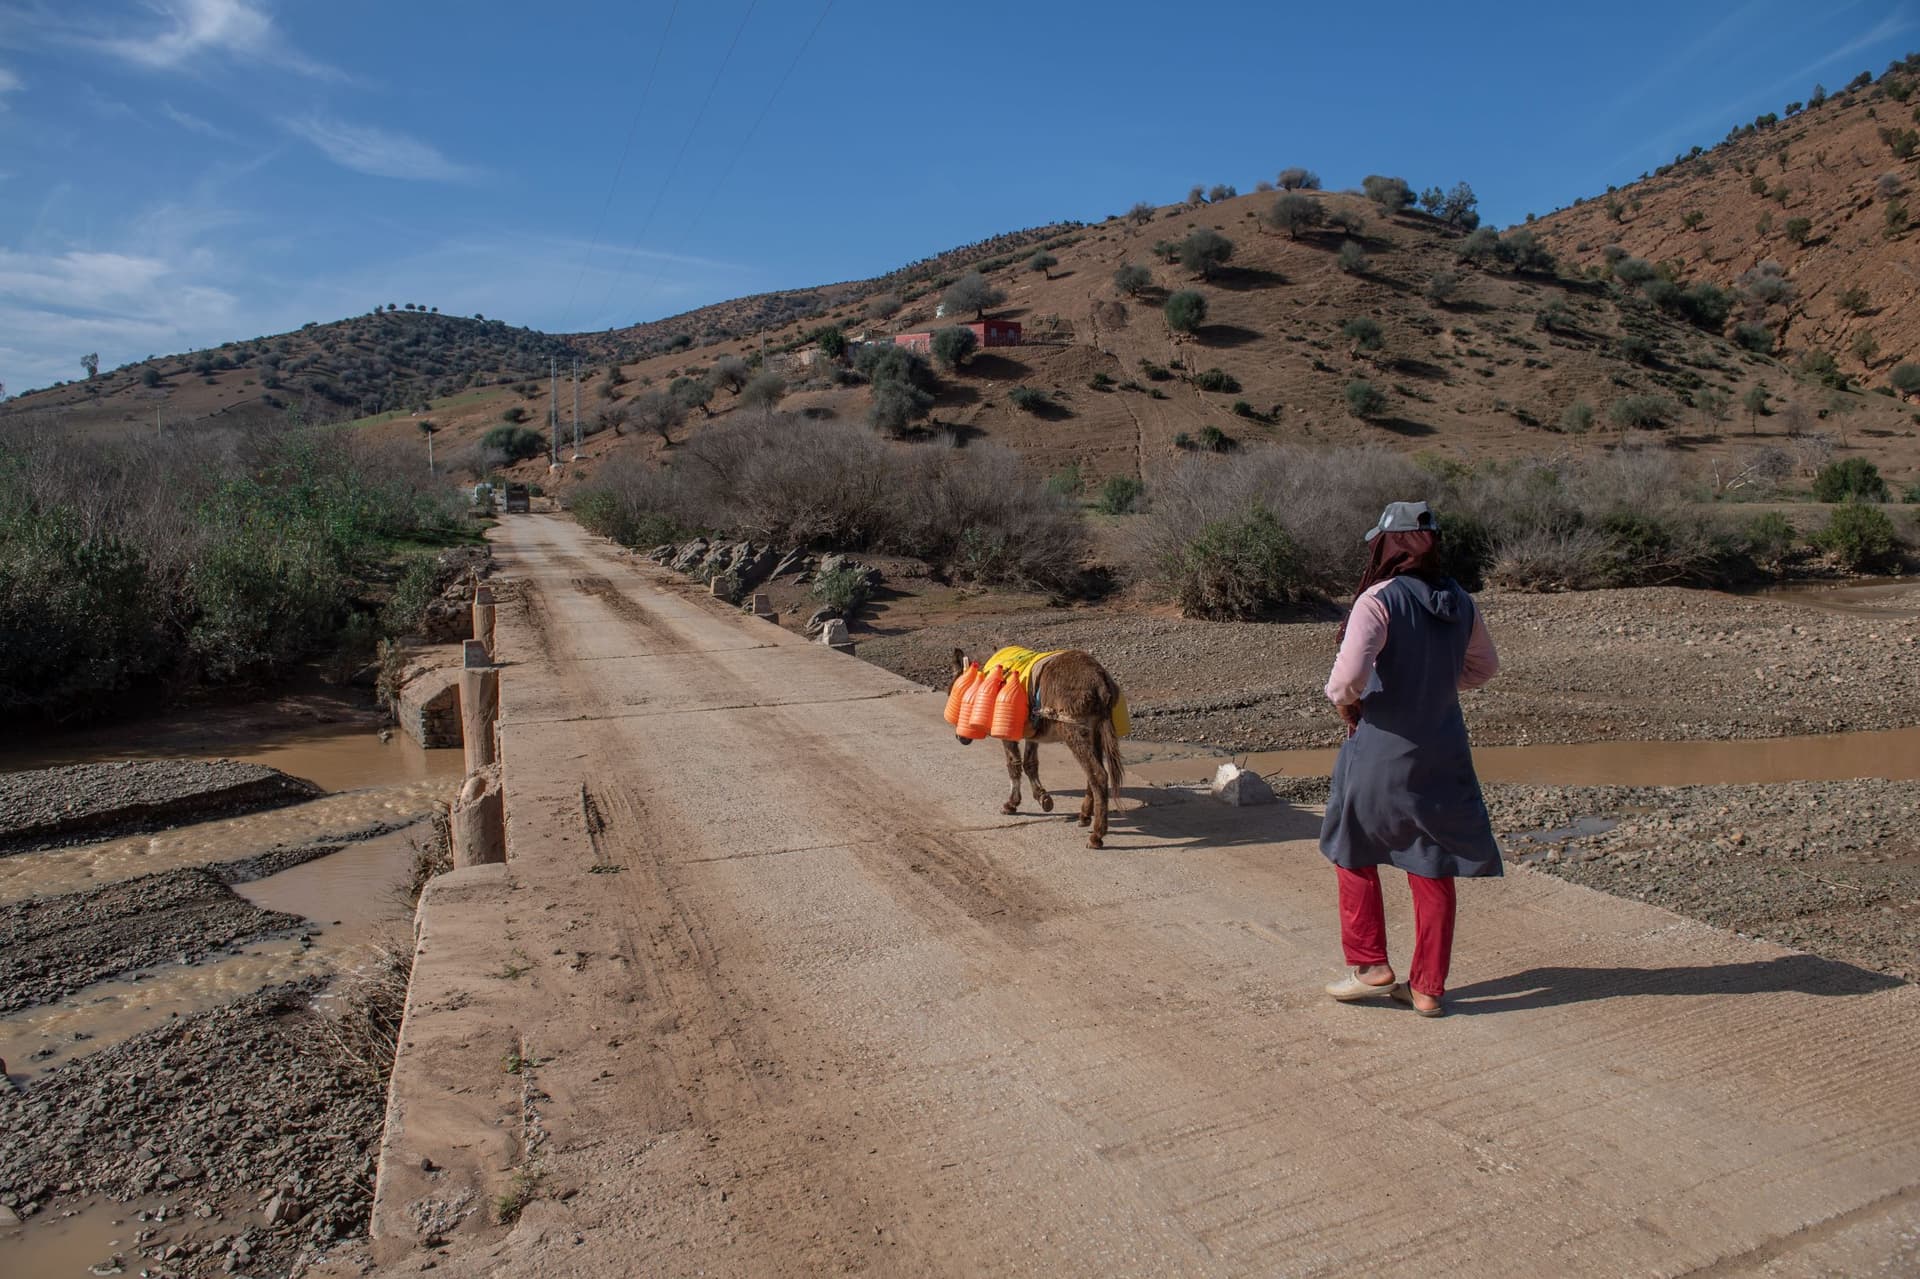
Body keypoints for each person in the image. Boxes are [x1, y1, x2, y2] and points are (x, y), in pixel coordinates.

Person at [1318, 501, 1499, 1017]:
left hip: (1380, 746)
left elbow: (1348, 676)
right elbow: (1485, 667)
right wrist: (1438, 685)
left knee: (1350, 846)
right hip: (1443, 747)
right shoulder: (1460, 600)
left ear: (1386, 547)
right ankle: (1428, 989)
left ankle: (1371, 965)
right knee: (1432, 862)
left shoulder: (1377, 599)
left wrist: (1348, 702)